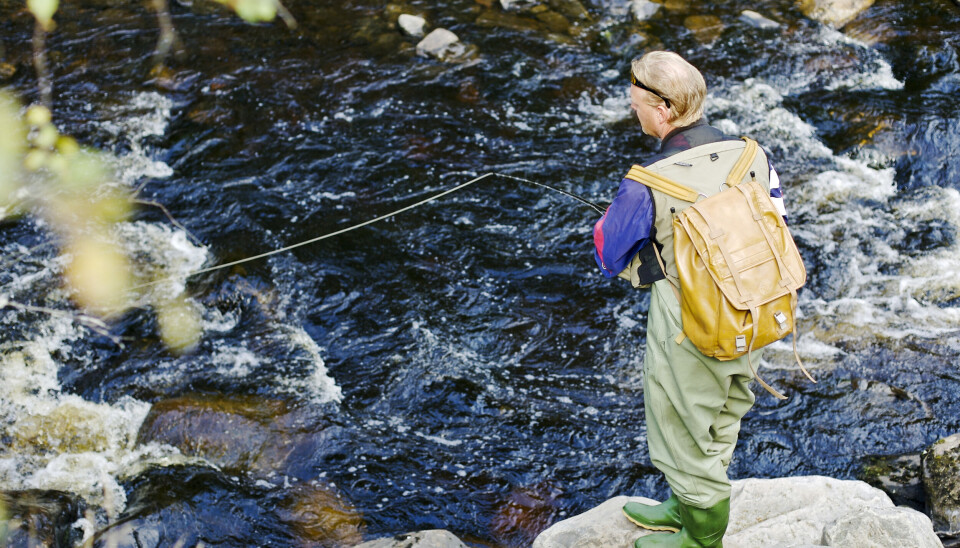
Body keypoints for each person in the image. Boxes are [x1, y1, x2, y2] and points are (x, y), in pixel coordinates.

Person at [592, 51, 787, 548]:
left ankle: (702, 538)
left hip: (690, 323)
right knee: (726, 409)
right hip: (756, 306)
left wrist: (603, 223)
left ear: (663, 111)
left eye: (636, 104)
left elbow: (610, 256)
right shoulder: (753, 155)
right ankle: (689, 498)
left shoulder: (645, 183)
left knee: (679, 421)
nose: (633, 110)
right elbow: (778, 220)